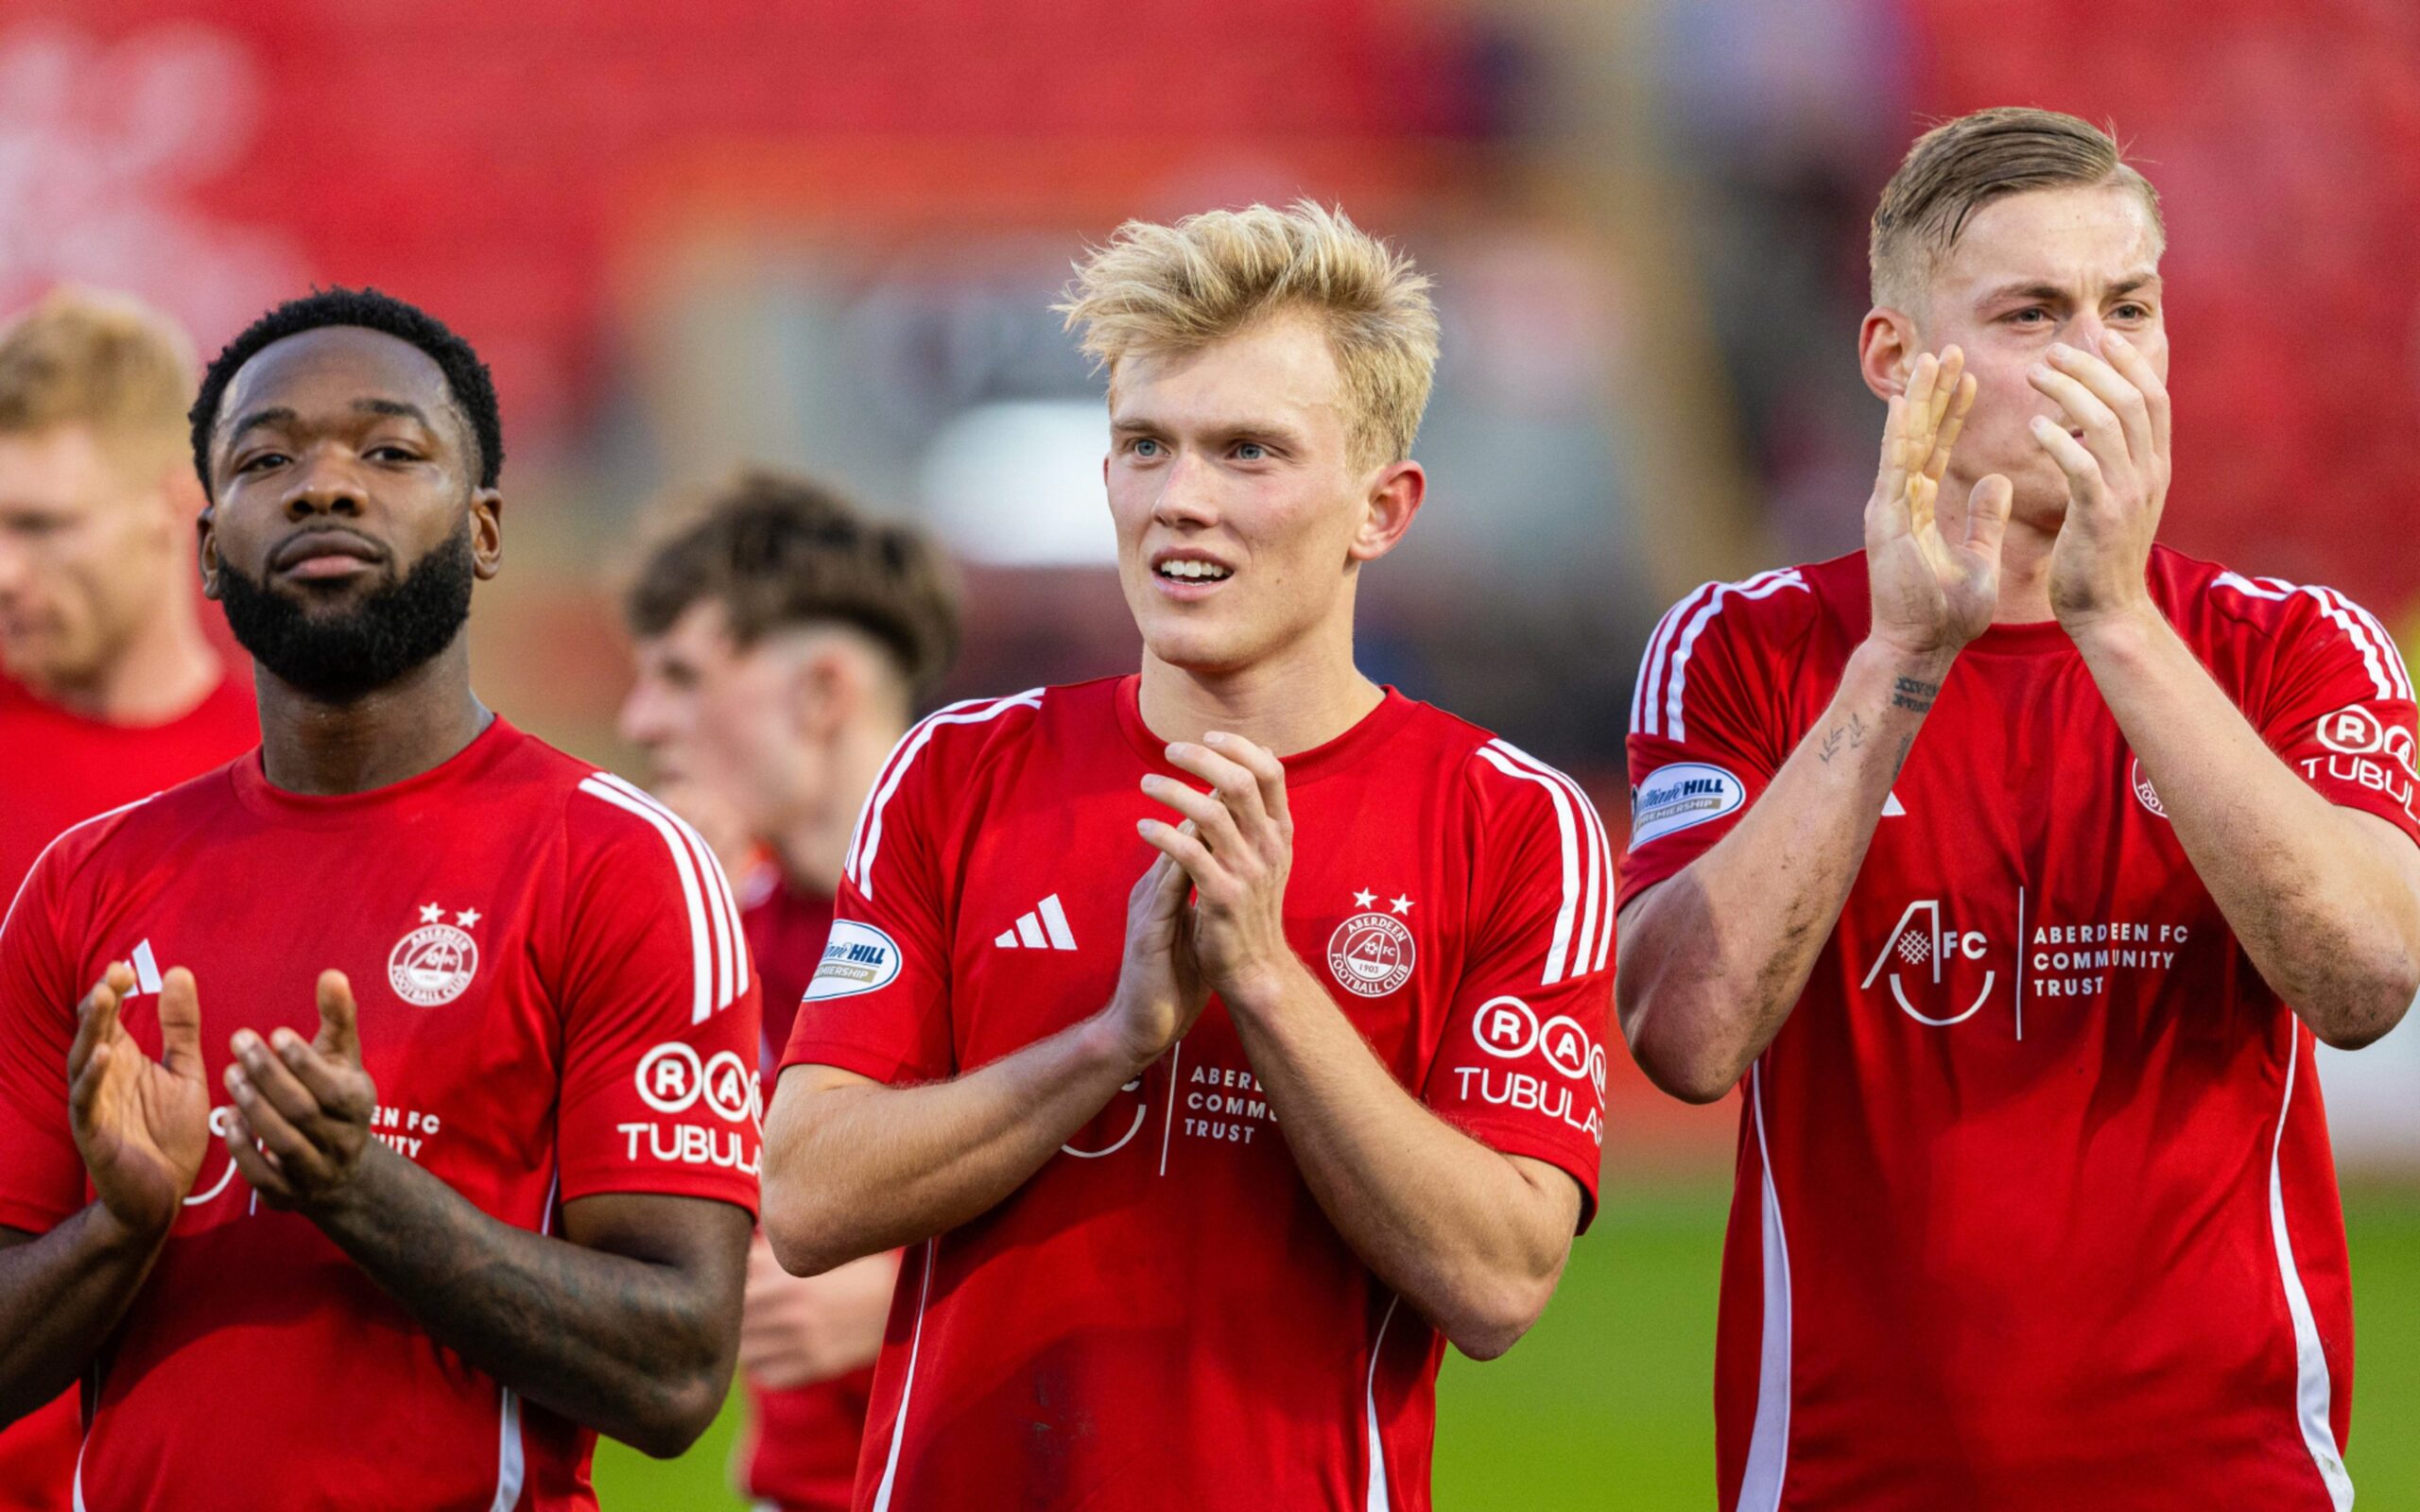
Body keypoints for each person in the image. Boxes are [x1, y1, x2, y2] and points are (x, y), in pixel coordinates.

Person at [1616, 107, 2420, 1510]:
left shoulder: (2297, 646)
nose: (2099, 356)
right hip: (1849, 1479)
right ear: (1894, 360)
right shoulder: (1739, 649)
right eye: (2034, 313)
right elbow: (1685, 1036)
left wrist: (2115, 621)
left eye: (2130, 308)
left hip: (2235, 1481)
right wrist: (1903, 657)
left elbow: (2363, 980)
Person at [759, 201, 1615, 1512]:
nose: (1180, 500)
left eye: (1249, 452)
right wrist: (1110, 1040)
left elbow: (1500, 1281)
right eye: (1145, 445)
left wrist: (1266, 985)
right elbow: (808, 1196)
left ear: (1381, 509)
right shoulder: (955, 771)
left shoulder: (1510, 821)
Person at [0, 288, 762, 1510]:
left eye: (391, 450)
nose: (323, 486)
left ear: (486, 528)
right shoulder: (88, 879)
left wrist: (361, 1188)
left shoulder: (616, 862)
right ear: (206, 545)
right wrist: (118, 1230)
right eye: (266, 458)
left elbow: (676, 1376)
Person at [618, 472, 959, 1512]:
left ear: (821, 693)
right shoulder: (725, 921)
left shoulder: (1012, 909)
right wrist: (665, 971)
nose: (641, 719)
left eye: (681, 675)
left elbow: (1156, 1221)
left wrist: (905, 1297)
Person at [0, 288, 259, 1512]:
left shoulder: (290, 771)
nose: (4, 570)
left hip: (186, 1456)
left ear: (173, 503)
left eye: (45, 525)